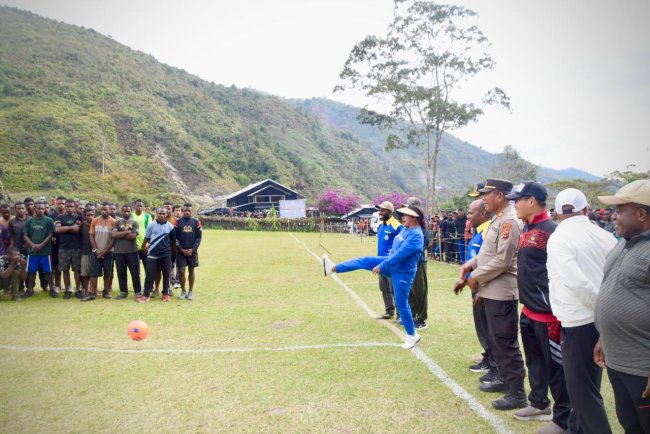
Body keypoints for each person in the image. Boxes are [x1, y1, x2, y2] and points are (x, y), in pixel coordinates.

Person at [547, 188, 617, 434]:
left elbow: (575, 281)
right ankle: (575, 429)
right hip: (601, 318)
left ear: (556, 213)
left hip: (580, 320)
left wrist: (599, 308)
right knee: (587, 384)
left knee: (583, 392)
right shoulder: (605, 236)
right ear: (586, 210)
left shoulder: (558, 238)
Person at [506, 181, 572, 433]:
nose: (514, 205)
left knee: (556, 367)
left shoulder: (551, 230)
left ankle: (562, 418)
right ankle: (539, 403)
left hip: (549, 315)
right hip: (529, 311)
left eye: (517, 200)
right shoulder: (527, 228)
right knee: (534, 361)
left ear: (531, 201)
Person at [458, 178, 527, 411]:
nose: (483, 199)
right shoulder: (498, 219)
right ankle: (505, 379)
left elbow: (503, 260)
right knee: (496, 340)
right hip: (491, 289)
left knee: (505, 342)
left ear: (499, 195)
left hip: (502, 291)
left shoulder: (509, 221)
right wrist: (472, 263)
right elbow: (488, 253)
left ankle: (517, 391)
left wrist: (475, 276)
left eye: (486, 195)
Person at [323, 206, 425, 349]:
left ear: (414, 218)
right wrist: (385, 262)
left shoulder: (416, 236)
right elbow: (395, 251)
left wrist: (383, 265)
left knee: (401, 304)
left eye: (405, 215)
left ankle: (412, 335)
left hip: (403, 272)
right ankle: (333, 268)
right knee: (365, 260)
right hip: (392, 264)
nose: (402, 217)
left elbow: (401, 254)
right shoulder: (406, 229)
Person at [594, 179, 650, 434]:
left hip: (642, 366)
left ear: (641, 213)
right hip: (618, 359)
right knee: (630, 425)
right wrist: (604, 337)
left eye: (619, 210)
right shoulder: (623, 243)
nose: (612, 216)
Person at [455, 198, 495, 375]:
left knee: (488, 325)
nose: (468, 216)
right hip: (475, 286)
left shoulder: (489, 232)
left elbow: (491, 261)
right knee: (481, 324)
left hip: (484, 287)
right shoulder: (478, 232)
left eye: (471, 213)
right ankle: (488, 356)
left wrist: (478, 283)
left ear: (483, 213)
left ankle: (492, 361)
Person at [137, 208, 176, 303]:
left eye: (163, 213)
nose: (161, 215)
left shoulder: (170, 227)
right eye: (160, 213)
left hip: (166, 254)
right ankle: (146, 295)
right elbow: (147, 237)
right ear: (157, 214)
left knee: (166, 274)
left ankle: (165, 294)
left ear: (166, 214)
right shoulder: (151, 225)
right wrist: (143, 247)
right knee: (150, 274)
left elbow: (173, 242)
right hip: (152, 253)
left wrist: (173, 255)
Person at [403, 197, 429, 330]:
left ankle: (422, 319)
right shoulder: (409, 227)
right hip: (410, 263)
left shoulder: (421, 227)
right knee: (411, 292)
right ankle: (413, 315)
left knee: (420, 292)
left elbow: (425, 244)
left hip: (418, 263)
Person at [374, 201, 402, 319]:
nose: (380, 212)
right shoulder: (381, 225)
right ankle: (389, 311)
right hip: (381, 262)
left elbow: (403, 243)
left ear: (390, 212)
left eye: (383, 210)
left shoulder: (397, 226)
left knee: (395, 288)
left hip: (393, 263)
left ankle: (400, 315)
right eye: (379, 210)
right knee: (384, 287)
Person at [84, 202, 116, 301]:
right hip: (96, 252)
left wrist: (105, 251)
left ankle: (105, 291)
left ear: (110, 210)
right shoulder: (95, 220)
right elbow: (91, 236)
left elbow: (114, 238)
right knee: (93, 272)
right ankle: (91, 292)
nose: (104, 211)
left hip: (109, 252)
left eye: (106, 210)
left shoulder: (114, 222)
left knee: (107, 272)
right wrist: (97, 250)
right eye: (102, 209)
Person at [22, 202, 55, 298]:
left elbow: (50, 234)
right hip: (32, 252)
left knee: (48, 271)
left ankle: (52, 289)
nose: (41, 210)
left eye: (43, 209)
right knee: (31, 272)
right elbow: (25, 235)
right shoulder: (29, 221)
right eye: (39, 208)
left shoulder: (49, 220)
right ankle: (30, 290)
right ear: (34, 209)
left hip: (45, 252)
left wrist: (41, 245)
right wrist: (32, 245)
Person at [112, 204, 141, 299]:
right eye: (124, 211)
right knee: (121, 273)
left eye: (128, 211)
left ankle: (138, 292)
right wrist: (126, 232)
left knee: (135, 273)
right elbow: (114, 235)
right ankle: (123, 292)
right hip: (119, 252)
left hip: (132, 252)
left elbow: (133, 236)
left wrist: (120, 234)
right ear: (121, 211)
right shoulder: (117, 222)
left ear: (131, 211)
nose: (126, 213)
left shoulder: (134, 223)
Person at [54, 199, 82, 299]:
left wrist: (65, 228)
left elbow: (77, 229)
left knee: (77, 270)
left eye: (71, 206)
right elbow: (57, 229)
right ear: (65, 207)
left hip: (76, 248)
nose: (69, 208)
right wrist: (71, 227)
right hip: (63, 248)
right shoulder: (59, 217)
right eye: (68, 206)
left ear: (74, 207)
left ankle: (78, 289)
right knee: (65, 270)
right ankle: (67, 289)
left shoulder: (78, 217)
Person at [174, 203, 202, 300]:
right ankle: (183, 291)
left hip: (192, 252)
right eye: (185, 210)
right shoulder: (178, 222)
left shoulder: (196, 222)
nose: (187, 212)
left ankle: (190, 291)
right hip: (180, 251)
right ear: (182, 211)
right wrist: (181, 249)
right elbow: (175, 237)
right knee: (181, 271)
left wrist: (193, 249)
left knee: (191, 270)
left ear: (191, 211)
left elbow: (199, 237)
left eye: (188, 210)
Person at [79, 208, 94, 297]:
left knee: (93, 273)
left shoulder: (96, 224)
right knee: (85, 273)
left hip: (94, 252)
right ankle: (86, 290)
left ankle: (93, 290)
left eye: (92, 215)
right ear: (85, 216)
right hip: (84, 251)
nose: (90, 217)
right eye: (88, 215)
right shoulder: (82, 225)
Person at [132, 199, 151, 268]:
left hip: (145, 246)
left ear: (144, 207)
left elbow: (150, 231)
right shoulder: (131, 216)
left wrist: (147, 244)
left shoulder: (147, 216)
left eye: (141, 206)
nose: (139, 207)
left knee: (147, 266)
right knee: (135, 268)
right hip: (134, 246)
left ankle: (148, 279)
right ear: (134, 207)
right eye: (138, 206)